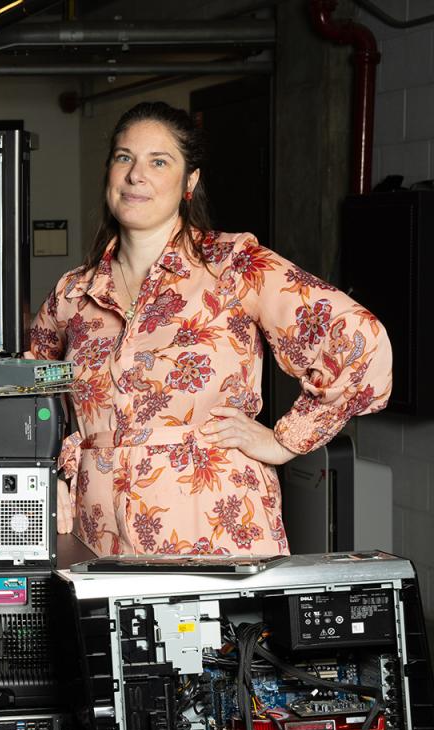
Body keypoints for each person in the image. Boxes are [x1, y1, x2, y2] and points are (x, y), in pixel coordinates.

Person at [28, 101, 391, 558]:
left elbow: (360, 340)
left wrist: (283, 441)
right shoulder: (73, 294)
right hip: (95, 533)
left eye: (159, 162)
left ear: (189, 182)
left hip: (211, 523)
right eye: (125, 158)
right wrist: (47, 476)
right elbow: (30, 394)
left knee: (217, 633)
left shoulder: (234, 267)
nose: (136, 175)